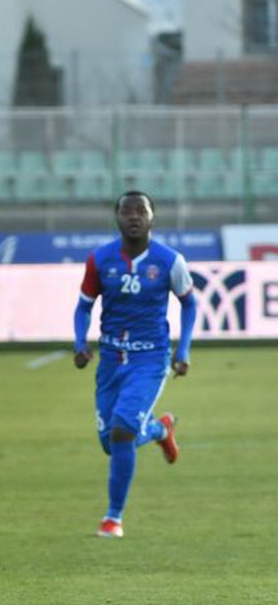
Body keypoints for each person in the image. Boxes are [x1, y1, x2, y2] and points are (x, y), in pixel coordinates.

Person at [73, 190, 195, 539]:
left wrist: (182, 350)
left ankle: (113, 518)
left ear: (152, 217)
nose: (133, 216)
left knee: (123, 429)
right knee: (110, 442)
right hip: (111, 359)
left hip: (150, 358)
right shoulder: (100, 260)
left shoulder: (170, 261)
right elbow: (83, 305)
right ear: (117, 218)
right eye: (126, 211)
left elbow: (190, 304)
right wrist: (80, 342)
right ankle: (159, 430)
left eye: (140, 210)